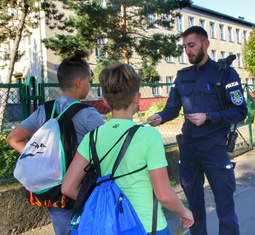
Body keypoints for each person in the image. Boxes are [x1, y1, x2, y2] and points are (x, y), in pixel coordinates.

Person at [61, 62, 194, 234]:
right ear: (137, 98)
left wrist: (98, 204)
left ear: (104, 99)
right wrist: (184, 212)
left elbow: (68, 188)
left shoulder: (92, 137)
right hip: (147, 227)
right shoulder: (148, 136)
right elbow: (164, 195)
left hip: (108, 227)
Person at [148, 26, 247, 235]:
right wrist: (161, 116)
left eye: (191, 45)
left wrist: (209, 117)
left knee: (225, 208)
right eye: (185, 47)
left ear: (206, 44)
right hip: (189, 149)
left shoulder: (226, 73)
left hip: (215, 148)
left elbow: (240, 112)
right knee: (193, 209)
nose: (188, 51)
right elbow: (172, 108)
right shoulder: (182, 75)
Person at [6, 50, 104, 235]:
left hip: (53, 191)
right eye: (89, 81)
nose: (89, 86)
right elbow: (108, 149)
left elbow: (13, 138)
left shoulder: (45, 110)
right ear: (79, 82)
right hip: (81, 190)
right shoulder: (89, 114)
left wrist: (42, 161)